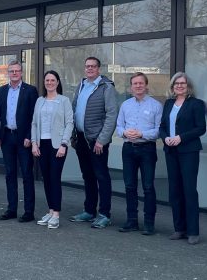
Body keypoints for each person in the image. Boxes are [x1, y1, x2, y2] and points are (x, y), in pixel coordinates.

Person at [70, 56, 118, 229]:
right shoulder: (81, 85)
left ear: (99, 69)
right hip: (82, 138)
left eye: (93, 66)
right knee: (87, 175)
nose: (89, 69)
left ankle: (105, 214)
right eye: (87, 66)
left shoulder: (106, 87)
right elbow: (75, 109)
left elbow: (111, 115)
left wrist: (102, 140)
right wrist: (73, 135)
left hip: (97, 141)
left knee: (101, 176)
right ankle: (89, 211)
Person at [159, 72, 207, 244]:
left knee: (189, 190)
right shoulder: (169, 103)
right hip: (171, 151)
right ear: (172, 87)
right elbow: (162, 126)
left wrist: (181, 137)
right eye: (176, 84)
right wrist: (165, 137)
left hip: (188, 151)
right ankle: (179, 228)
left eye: (183, 83)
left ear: (189, 87)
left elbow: (201, 128)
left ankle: (193, 231)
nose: (179, 86)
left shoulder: (196, 104)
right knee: (174, 190)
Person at [115, 72, 163, 235]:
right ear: (131, 87)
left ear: (146, 85)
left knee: (148, 187)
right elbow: (119, 126)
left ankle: (149, 223)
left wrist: (142, 134)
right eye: (135, 84)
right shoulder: (125, 105)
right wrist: (125, 133)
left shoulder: (156, 106)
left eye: (141, 83)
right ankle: (132, 221)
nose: (138, 86)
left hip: (147, 149)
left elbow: (159, 131)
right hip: (128, 149)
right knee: (129, 186)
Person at [0, 59, 39, 222]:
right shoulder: (2, 90)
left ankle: (28, 211)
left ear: (21, 72)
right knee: (10, 174)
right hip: (6, 137)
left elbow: (34, 116)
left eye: (17, 71)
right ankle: (11, 209)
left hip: (23, 138)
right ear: (8, 73)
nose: (14, 73)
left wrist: (29, 136)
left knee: (27, 174)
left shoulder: (30, 91)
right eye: (11, 71)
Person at [31, 70, 73, 229]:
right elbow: (34, 123)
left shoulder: (64, 101)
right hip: (42, 144)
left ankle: (56, 214)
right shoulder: (39, 101)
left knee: (54, 178)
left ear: (57, 82)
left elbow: (69, 123)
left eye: (52, 80)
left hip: (57, 145)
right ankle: (50, 210)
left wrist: (64, 144)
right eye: (47, 80)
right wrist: (34, 143)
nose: (49, 82)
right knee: (46, 178)